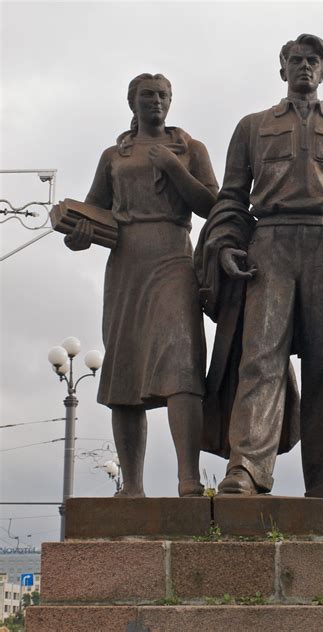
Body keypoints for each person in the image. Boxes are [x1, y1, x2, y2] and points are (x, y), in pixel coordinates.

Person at [196, 34, 323, 498]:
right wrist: (225, 243)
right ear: (281, 69)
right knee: (259, 358)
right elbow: (231, 196)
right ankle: (247, 468)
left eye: (313, 61)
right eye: (296, 60)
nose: (305, 67)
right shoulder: (252, 127)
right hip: (270, 244)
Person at [65, 73, 218, 497]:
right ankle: (131, 485)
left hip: (173, 256)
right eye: (147, 95)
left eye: (163, 95)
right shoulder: (115, 154)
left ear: (172, 101)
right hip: (126, 263)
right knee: (125, 371)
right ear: (131, 102)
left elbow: (214, 206)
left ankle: (189, 478)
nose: (156, 101)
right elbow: (93, 211)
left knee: (181, 361)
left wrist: (172, 167)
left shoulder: (189, 149)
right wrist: (78, 236)